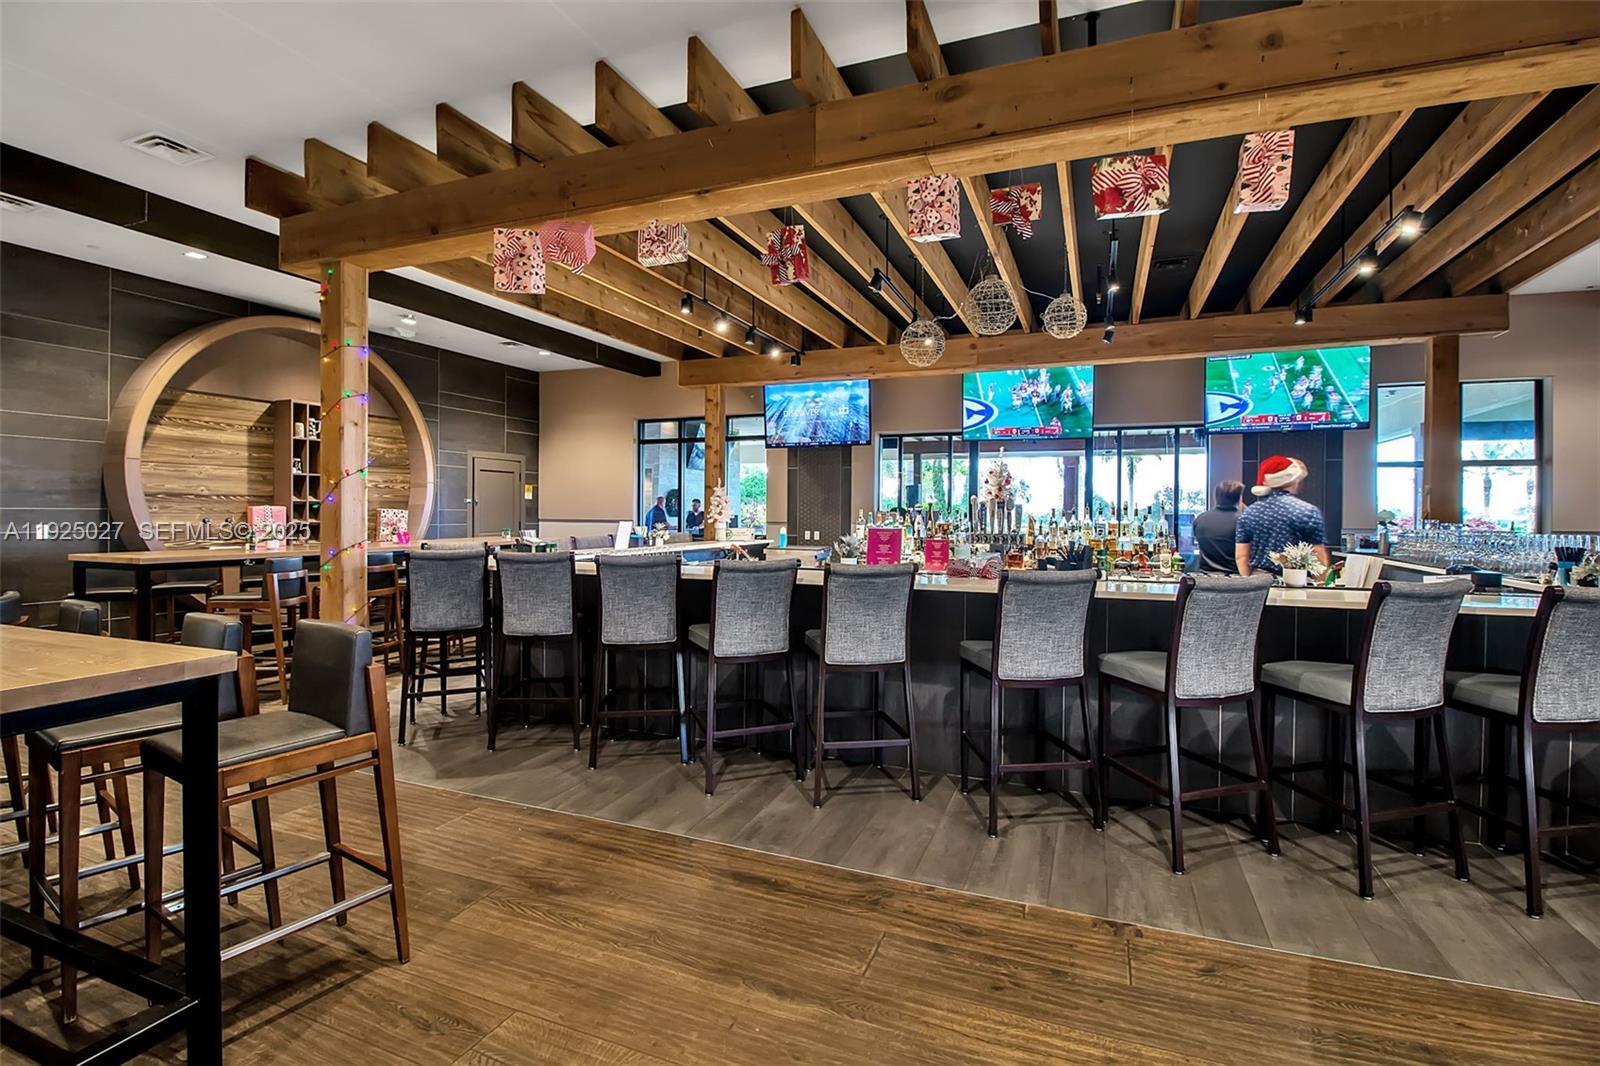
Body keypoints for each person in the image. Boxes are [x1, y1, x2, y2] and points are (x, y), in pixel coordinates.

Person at [1235, 455, 1331, 576]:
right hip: (1297, 579)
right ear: (1292, 480)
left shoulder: (1249, 513)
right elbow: (1318, 558)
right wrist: (1320, 584)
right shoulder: (1308, 511)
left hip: (1259, 580)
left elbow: (1241, 557)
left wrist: (1250, 581)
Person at [1193, 480, 1245, 573]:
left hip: (1205, 577)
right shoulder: (1244, 521)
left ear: (1216, 497)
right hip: (1235, 578)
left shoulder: (1200, 519)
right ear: (1239, 498)